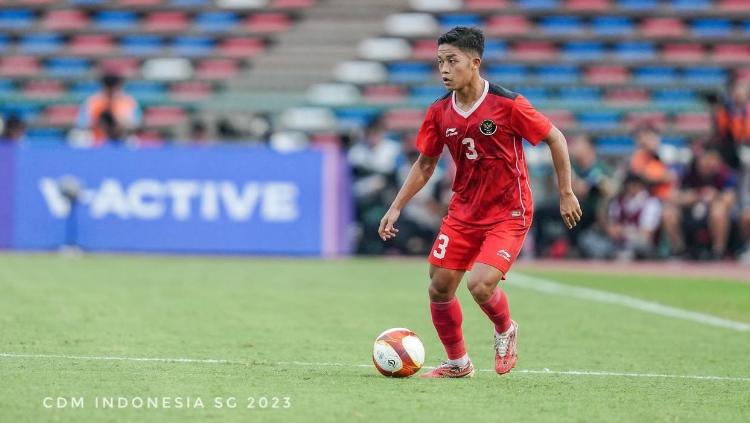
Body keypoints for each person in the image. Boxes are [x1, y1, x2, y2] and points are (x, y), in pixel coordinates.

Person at [378, 27, 581, 378]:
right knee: (439, 287)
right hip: (464, 210)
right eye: (439, 61)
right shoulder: (439, 111)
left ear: (474, 63)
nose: (443, 69)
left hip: (509, 211)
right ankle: (458, 363)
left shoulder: (507, 104)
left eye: (451, 61)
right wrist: (396, 206)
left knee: (480, 284)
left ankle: (505, 329)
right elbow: (425, 164)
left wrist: (566, 192)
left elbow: (555, 138)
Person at [662, 147, 737, 259]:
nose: (708, 164)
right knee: (668, 212)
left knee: (719, 209)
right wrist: (692, 197)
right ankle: (679, 250)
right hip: (690, 211)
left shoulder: (725, 174)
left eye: (712, 160)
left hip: (716, 214)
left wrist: (715, 196)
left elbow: (730, 199)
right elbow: (672, 196)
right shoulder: (689, 173)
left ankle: (718, 251)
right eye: (705, 160)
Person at [604, 173, 662, 260]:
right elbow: (611, 229)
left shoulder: (650, 203)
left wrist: (624, 231)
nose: (631, 188)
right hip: (619, 243)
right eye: (629, 185)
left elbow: (647, 234)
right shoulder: (618, 202)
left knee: (639, 246)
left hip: (640, 245)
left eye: (634, 185)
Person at [76, 72, 141, 146]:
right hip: (96, 137)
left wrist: (119, 122)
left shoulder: (128, 101)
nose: (111, 90)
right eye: (108, 86)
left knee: (132, 141)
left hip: (120, 137)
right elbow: (82, 123)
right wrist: (99, 122)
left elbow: (136, 124)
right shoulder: (93, 101)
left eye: (114, 87)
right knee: (80, 138)